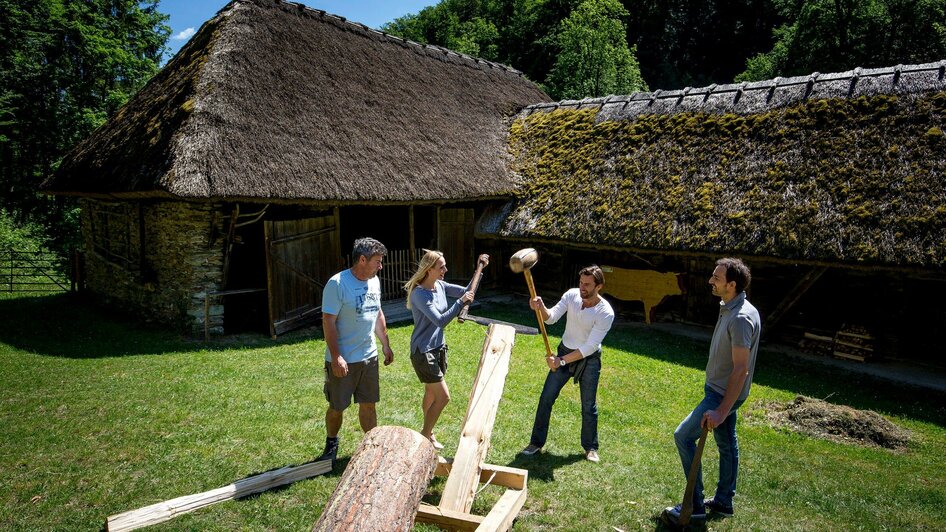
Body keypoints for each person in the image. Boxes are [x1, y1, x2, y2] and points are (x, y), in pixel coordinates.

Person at [663, 258, 762, 524]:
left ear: (731, 284)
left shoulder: (741, 317)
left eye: (716, 278)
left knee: (683, 436)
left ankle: (694, 505)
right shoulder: (732, 307)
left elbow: (741, 369)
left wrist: (720, 410)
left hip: (721, 393)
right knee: (727, 444)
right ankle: (723, 502)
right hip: (723, 391)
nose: (710, 280)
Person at [520, 265, 615, 463]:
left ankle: (590, 447)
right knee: (546, 398)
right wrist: (541, 307)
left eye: (587, 285)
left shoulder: (605, 312)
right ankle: (536, 443)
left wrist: (560, 361)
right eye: (581, 283)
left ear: (599, 286)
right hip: (565, 350)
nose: (582, 288)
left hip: (588, 360)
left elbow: (589, 347)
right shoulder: (572, 295)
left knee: (588, 405)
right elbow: (551, 318)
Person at [317, 237, 395, 467]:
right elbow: (328, 322)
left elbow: (377, 314)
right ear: (362, 259)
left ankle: (371, 447)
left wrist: (385, 343)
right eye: (377, 261)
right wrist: (337, 356)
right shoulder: (337, 284)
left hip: (368, 357)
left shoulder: (375, 281)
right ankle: (331, 442)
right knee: (337, 406)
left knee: (369, 404)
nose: (381, 266)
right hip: (344, 359)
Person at [403, 251, 486, 450]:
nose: (445, 270)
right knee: (443, 397)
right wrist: (459, 303)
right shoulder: (419, 294)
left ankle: (428, 432)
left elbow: (467, 290)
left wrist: (479, 270)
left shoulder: (440, 285)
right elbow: (440, 321)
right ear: (429, 269)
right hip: (424, 352)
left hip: (438, 348)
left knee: (431, 394)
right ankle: (424, 438)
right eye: (441, 267)